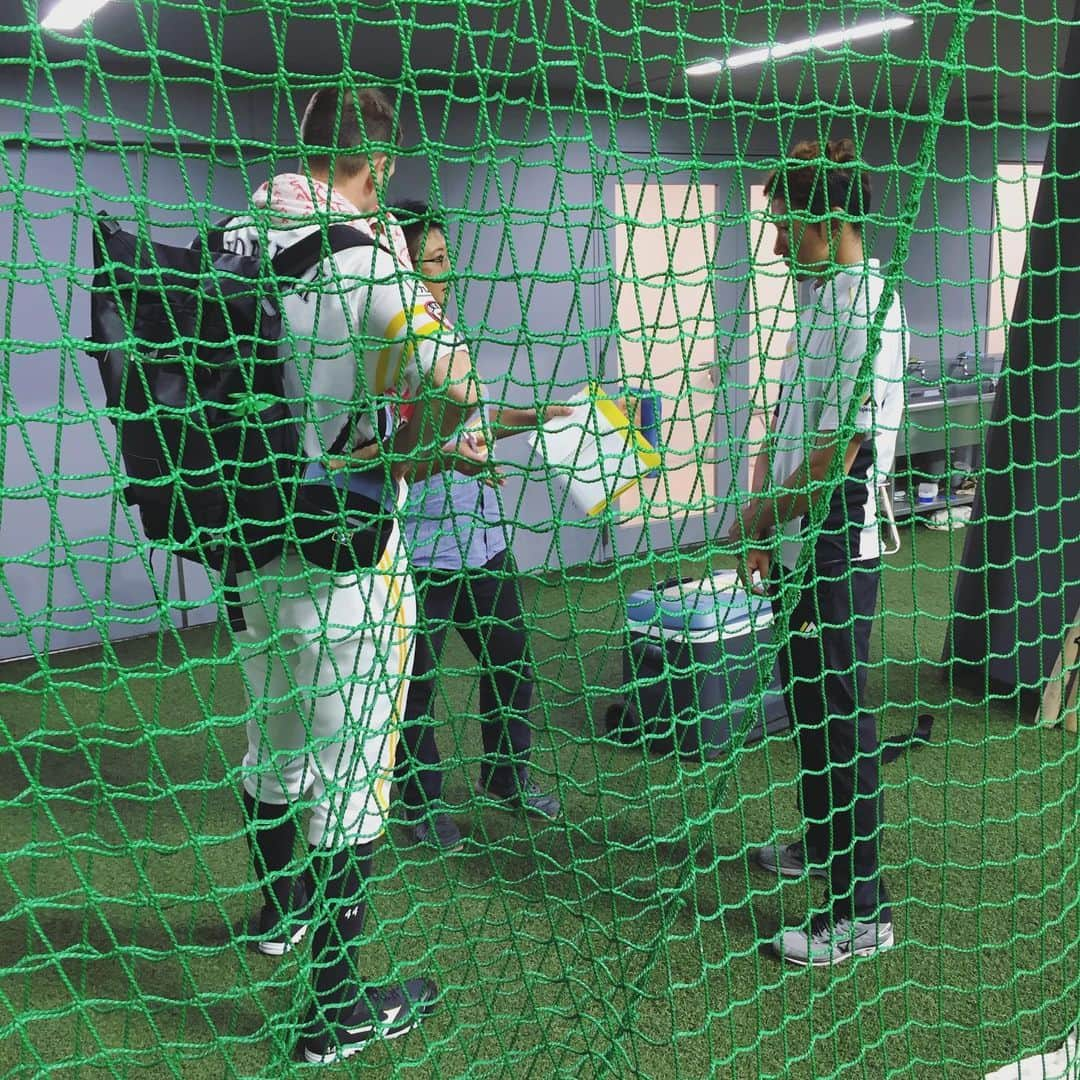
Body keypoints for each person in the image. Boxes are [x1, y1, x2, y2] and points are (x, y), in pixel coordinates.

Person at [222, 86, 480, 1063]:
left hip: (246, 554)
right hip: (345, 565)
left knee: (272, 746)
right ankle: (333, 1009)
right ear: (380, 166)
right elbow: (456, 388)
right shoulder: (371, 260)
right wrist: (410, 451)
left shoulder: (235, 239)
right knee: (351, 781)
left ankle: (275, 917)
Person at [729, 137, 906, 966]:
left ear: (829, 220)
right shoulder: (820, 300)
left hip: (839, 546)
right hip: (801, 545)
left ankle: (861, 910)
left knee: (842, 724)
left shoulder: (868, 302)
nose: (772, 243)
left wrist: (764, 511)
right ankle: (821, 845)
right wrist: (766, 527)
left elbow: (845, 453)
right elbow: (796, 424)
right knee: (809, 711)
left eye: (783, 225)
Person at [389, 199, 569, 851]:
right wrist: (448, 463)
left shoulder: (448, 334)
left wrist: (539, 415)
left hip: (484, 545)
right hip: (420, 555)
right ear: (401, 268)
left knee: (511, 667)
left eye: (445, 257)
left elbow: (477, 422)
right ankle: (417, 802)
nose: (447, 273)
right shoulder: (390, 348)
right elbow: (392, 460)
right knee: (417, 690)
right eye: (434, 260)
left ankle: (506, 776)